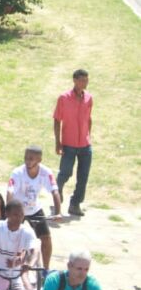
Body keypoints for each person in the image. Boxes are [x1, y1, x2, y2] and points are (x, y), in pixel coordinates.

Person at [8, 146, 62, 270]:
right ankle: (10, 265)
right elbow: (10, 192)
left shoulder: (46, 173)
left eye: (31, 159)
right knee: (12, 236)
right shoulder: (17, 172)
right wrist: (9, 211)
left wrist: (58, 212)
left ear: (39, 160)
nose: (28, 161)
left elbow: (55, 191)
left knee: (46, 238)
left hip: (34, 209)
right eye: (26, 158)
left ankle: (45, 269)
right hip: (17, 209)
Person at [53, 69, 92, 217]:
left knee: (83, 176)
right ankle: (58, 190)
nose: (85, 83)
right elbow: (57, 120)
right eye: (82, 80)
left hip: (85, 145)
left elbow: (89, 118)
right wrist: (58, 142)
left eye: (86, 80)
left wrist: (89, 137)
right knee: (65, 172)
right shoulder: (64, 98)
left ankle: (75, 204)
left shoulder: (89, 98)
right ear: (75, 80)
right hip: (68, 144)